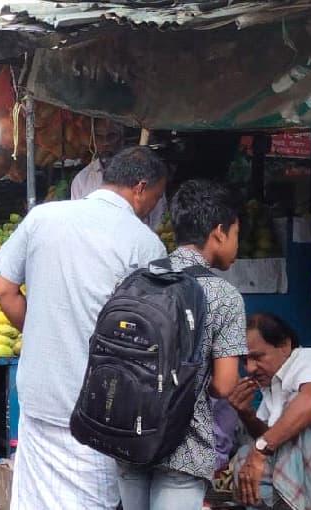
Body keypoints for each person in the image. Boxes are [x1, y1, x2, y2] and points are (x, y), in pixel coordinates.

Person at [0, 146, 168, 509]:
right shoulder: (145, 244)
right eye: (156, 195)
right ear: (140, 187)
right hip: (98, 406)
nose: (154, 205)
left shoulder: (42, 218)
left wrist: (43, 331)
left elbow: (4, 290)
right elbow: (153, 332)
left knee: (35, 500)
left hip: (39, 394)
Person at [115, 180, 247, 510]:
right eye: (235, 235)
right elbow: (223, 385)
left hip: (129, 433)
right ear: (219, 231)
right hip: (184, 445)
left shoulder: (137, 279)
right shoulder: (224, 296)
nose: (236, 245)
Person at [227, 312, 311, 509]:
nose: (249, 368)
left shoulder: (309, 359)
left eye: (257, 357)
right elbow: (271, 442)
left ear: (284, 345)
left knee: (299, 426)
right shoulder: (272, 385)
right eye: (244, 360)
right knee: (245, 455)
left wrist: (260, 450)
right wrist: (246, 413)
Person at [71, 155, 169, 229]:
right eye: (100, 137)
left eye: (111, 136)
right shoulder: (81, 179)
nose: (106, 142)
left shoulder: (153, 186)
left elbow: (158, 223)